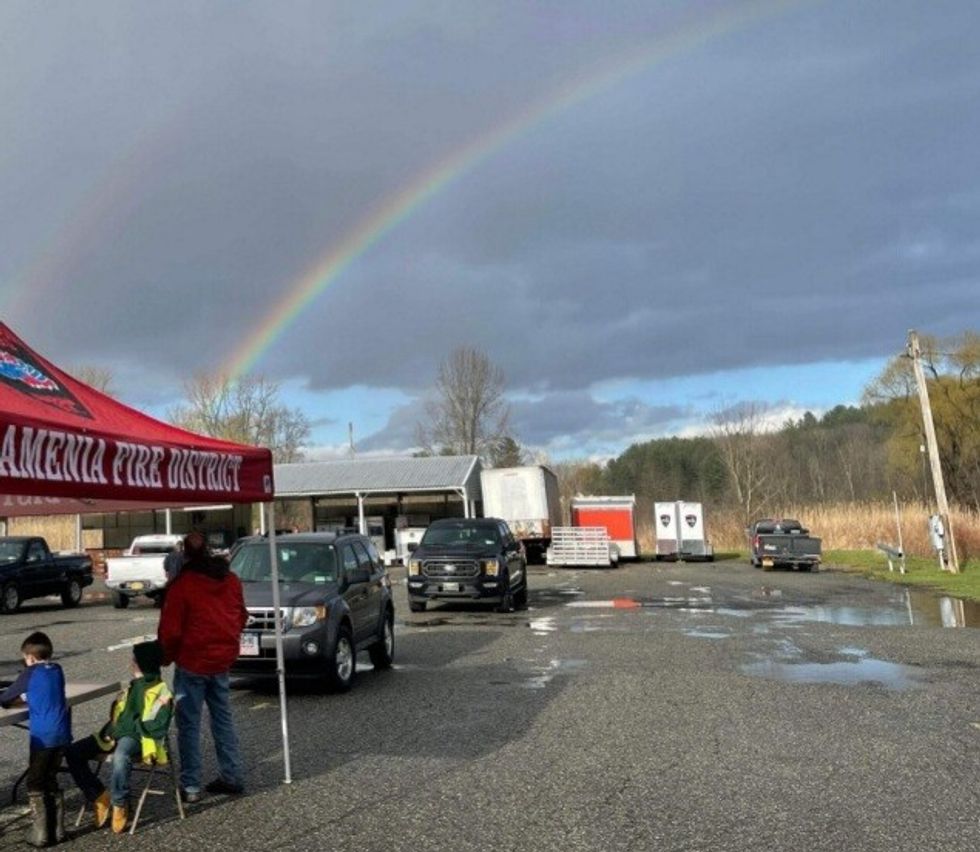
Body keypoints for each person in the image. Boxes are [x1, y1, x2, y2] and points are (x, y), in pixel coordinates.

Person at [158, 530, 248, 802]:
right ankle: (231, 775)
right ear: (209, 550)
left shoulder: (183, 585)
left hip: (192, 660)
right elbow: (241, 615)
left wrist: (165, 656)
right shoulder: (230, 580)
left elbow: (170, 631)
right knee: (223, 719)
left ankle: (191, 785)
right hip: (222, 659)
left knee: (189, 725)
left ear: (183, 555)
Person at [64, 640, 173, 834]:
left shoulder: (161, 691)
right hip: (112, 735)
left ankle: (119, 803)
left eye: (134, 660)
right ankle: (98, 795)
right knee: (72, 751)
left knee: (121, 757)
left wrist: (130, 727)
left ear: (142, 664)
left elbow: (156, 726)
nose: (130, 664)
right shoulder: (131, 687)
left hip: (139, 737)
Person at [0, 632, 71, 847]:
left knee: (35, 781)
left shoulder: (30, 673)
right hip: (62, 733)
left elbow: (5, 698)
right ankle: (58, 830)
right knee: (50, 777)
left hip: (43, 735)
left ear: (29, 658)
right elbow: (41, 691)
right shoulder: (57, 670)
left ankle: (40, 834)